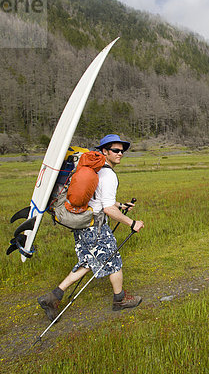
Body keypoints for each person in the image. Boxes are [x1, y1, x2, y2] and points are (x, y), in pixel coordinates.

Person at [37, 134, 145, 321]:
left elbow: (99, 199)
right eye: (115, 150)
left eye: (122, 150)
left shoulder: (97, 170)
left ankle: (53, 297)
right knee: (113, 260)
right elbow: (107, 208)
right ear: (104, 151)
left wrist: (121, 205)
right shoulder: (108, 174)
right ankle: (120, 300)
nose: (120, 154)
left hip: (84, 224)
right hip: (96, 226)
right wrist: (132, 223)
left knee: (88, 262)